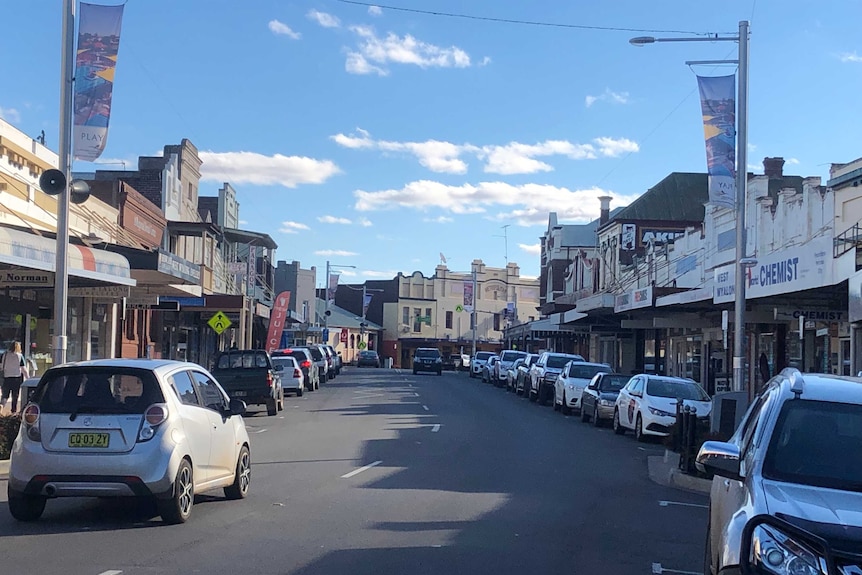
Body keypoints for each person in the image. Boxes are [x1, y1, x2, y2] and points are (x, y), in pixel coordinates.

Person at [1, 342, 30, 415]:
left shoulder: (5, 355)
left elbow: (1, 366)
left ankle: (1, 406)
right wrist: (28, 378)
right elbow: (24, 369)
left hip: (6, 377)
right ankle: (13, 411)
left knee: (5, 396)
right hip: (16, 378)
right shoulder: (19, 356)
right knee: (15, 396)